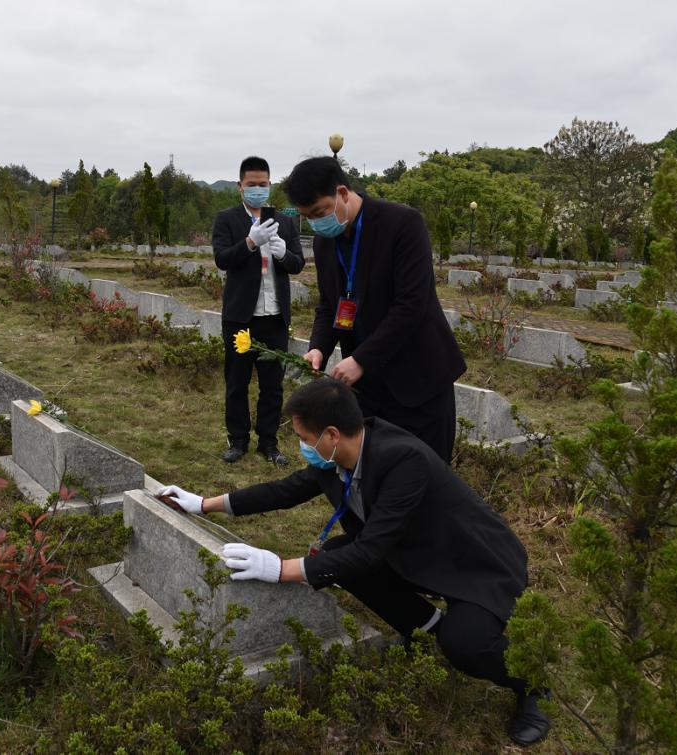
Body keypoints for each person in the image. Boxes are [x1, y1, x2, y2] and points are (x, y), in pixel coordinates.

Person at [159, 379, 551, 746]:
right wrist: (204, 504)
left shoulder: (402, 459)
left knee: (464, 644)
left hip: (475, 565)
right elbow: (284, 491)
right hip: (414, 553)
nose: (303, 447)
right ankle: (424, 629)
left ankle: (532, 686)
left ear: (331, 434)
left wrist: (282, 569)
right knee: (335, 557)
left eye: (304, 439)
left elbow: (370, 552)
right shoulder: (336, 460)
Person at [281, 156, 465, 463]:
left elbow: (411, 304)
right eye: (307, 217)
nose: (316, 222)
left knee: (426, 473)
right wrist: (318, 349)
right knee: (375, 474)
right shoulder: (326, 243)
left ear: (342, 193)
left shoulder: (402, 223)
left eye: (319, 212)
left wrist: (362, 360)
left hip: (418, 378)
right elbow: (329, 305)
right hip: (367, 387)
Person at [212, 156, 306, 465]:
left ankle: (269, 442)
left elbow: (297, 264)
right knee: (237, 381)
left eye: (262, 185)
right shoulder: (227, 219)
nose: (257, 190)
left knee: (272, 384)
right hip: (241, 315)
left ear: (270, 185)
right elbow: (223, 259)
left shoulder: (285, 221)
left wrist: (283, 253)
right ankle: (237, 441)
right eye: (251, 185)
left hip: (275, 316)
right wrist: (251, 243)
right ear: (240, 186)